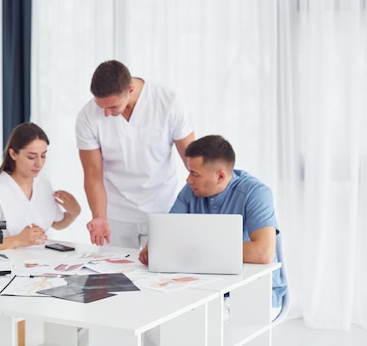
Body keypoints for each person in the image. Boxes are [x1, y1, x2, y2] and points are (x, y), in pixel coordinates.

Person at [139, 135, 287, 319]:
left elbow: (262, 253)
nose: (188, 180)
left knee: (194, 323)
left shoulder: (256, 193)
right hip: (203, 287)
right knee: (152, 314)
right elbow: (168, 238)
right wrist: (155, 247)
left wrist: (195, 250)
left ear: (220, 176)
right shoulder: (191, 191)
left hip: (252, 292)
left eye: (195, 174)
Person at [75, 60, 195, 248]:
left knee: (161, 274)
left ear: (130, 89)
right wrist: (99, 217)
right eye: (101, 107)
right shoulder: (87, 116)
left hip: (161, 210)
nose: (105, 114)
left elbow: (193, 162)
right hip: (115, 217)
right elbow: (92, 175)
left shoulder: (168, 102)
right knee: (113, 275)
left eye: (112, 107)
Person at [0, 122, 81, 249]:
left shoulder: (43, 184)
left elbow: (56, 223)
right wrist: (17, 240)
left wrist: (74, 212)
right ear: (13, 154)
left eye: (43, 155)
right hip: (9, 265)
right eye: (31, 157)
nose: (39, 163)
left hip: (40, 262)